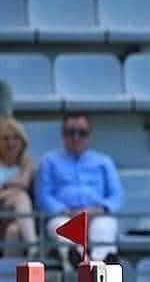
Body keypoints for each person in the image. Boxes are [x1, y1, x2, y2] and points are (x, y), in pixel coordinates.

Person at [35, 112, 123, 266]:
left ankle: (100, 265)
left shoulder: (104, 161)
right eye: (70, 133)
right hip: (64, 215)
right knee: (64, 230)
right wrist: (67, 211)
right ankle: (77, 261)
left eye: (82, 133)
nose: (76, 137)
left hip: (97, 214)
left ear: (89, 135)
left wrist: (97, 210)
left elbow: (117, 195)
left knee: (104, 228)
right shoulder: (49, 161)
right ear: (63, 135)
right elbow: (43, 195)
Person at [0, 116, 38, 253]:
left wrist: (5, 187)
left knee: (13, 231)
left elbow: (24, 183)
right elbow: (20, 186)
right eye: (5, 138)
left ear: (22, 141)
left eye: (15, 138)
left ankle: (32, 254)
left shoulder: (27, 162)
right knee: (20, 196)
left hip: (17, 218)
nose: (11, 143)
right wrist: (10, 188)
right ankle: (34, 246)